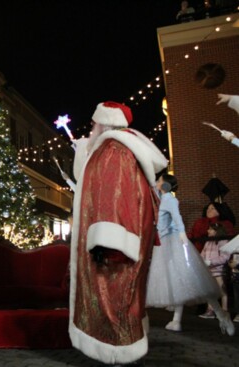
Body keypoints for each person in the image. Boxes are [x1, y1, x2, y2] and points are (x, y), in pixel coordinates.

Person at [68, 101, 168, 365]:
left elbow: (113, 196)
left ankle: (119, 354)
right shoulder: (121, 148)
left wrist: (105, 241)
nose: (91, 129)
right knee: (125, 298)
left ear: (103, 123)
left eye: (93, 124)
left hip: (113, 245)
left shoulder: (114, 150)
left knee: (114, 300)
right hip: (123, 241)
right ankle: (121, 352)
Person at [146, 174, 234, 336]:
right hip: (164, 243)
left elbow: (177, 217)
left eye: (160, 181)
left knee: (189, 279)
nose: (157, 183)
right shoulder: (161, 198)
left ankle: (221, 315)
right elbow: (151, 187)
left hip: (173, 243)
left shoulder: (170, 200)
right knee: (178, 282)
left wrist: (181, 233)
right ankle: (177, 320)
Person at [199, 222, 231, 318]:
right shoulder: (208, 241)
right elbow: (203, 252)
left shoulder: (223, 241)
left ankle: (224, 311)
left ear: (216, 231)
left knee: (221, 291)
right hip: (209, 271)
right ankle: (211, 310)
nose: (208, 231)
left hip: (219, 271)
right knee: (210, 291)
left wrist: (211, 262)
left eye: (210, 229)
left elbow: (225, 256)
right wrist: (201, 261)